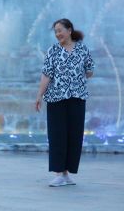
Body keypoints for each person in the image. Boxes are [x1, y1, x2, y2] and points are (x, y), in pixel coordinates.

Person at [35, 18, 95, 187]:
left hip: (77, 98)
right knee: (57, 135)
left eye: (60, 30)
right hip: (56, 98)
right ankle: (59, 173)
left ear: (69, 30)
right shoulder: (52, 51)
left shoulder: (83, 49)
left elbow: (90, 71)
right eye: (55, 31)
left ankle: (67, 173)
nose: (58, 34)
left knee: (74, 136)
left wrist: (80, 75)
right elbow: (46, 75)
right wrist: (39, 96)